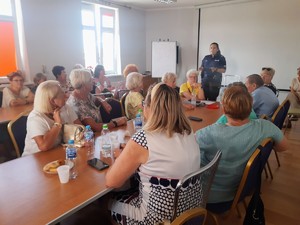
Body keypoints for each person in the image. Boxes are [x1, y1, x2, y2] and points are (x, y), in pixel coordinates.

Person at [106, 83, 200, 224]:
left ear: (150, 108)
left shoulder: (143, 138)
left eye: (144, 104)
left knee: (108, 203)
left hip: (159, 220)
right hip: (190, 212)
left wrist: (123, 156)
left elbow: (111, 181)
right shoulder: (188, 131)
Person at [196, 85, 287, 205]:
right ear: (251, 108)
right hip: (241, 190)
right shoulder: (265, 127)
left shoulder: (206, 133)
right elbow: (283, 147)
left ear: (223, 110)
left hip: (207, 194)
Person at [23, 80, 81, 156]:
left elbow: (80, 127)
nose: (66, 95)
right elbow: (43, 146)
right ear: (53, 101)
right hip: (35, 159)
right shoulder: (35, 118)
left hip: (58, 153)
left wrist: (81, 135)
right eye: (62, 94)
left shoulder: (65, 107)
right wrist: (57, 124)